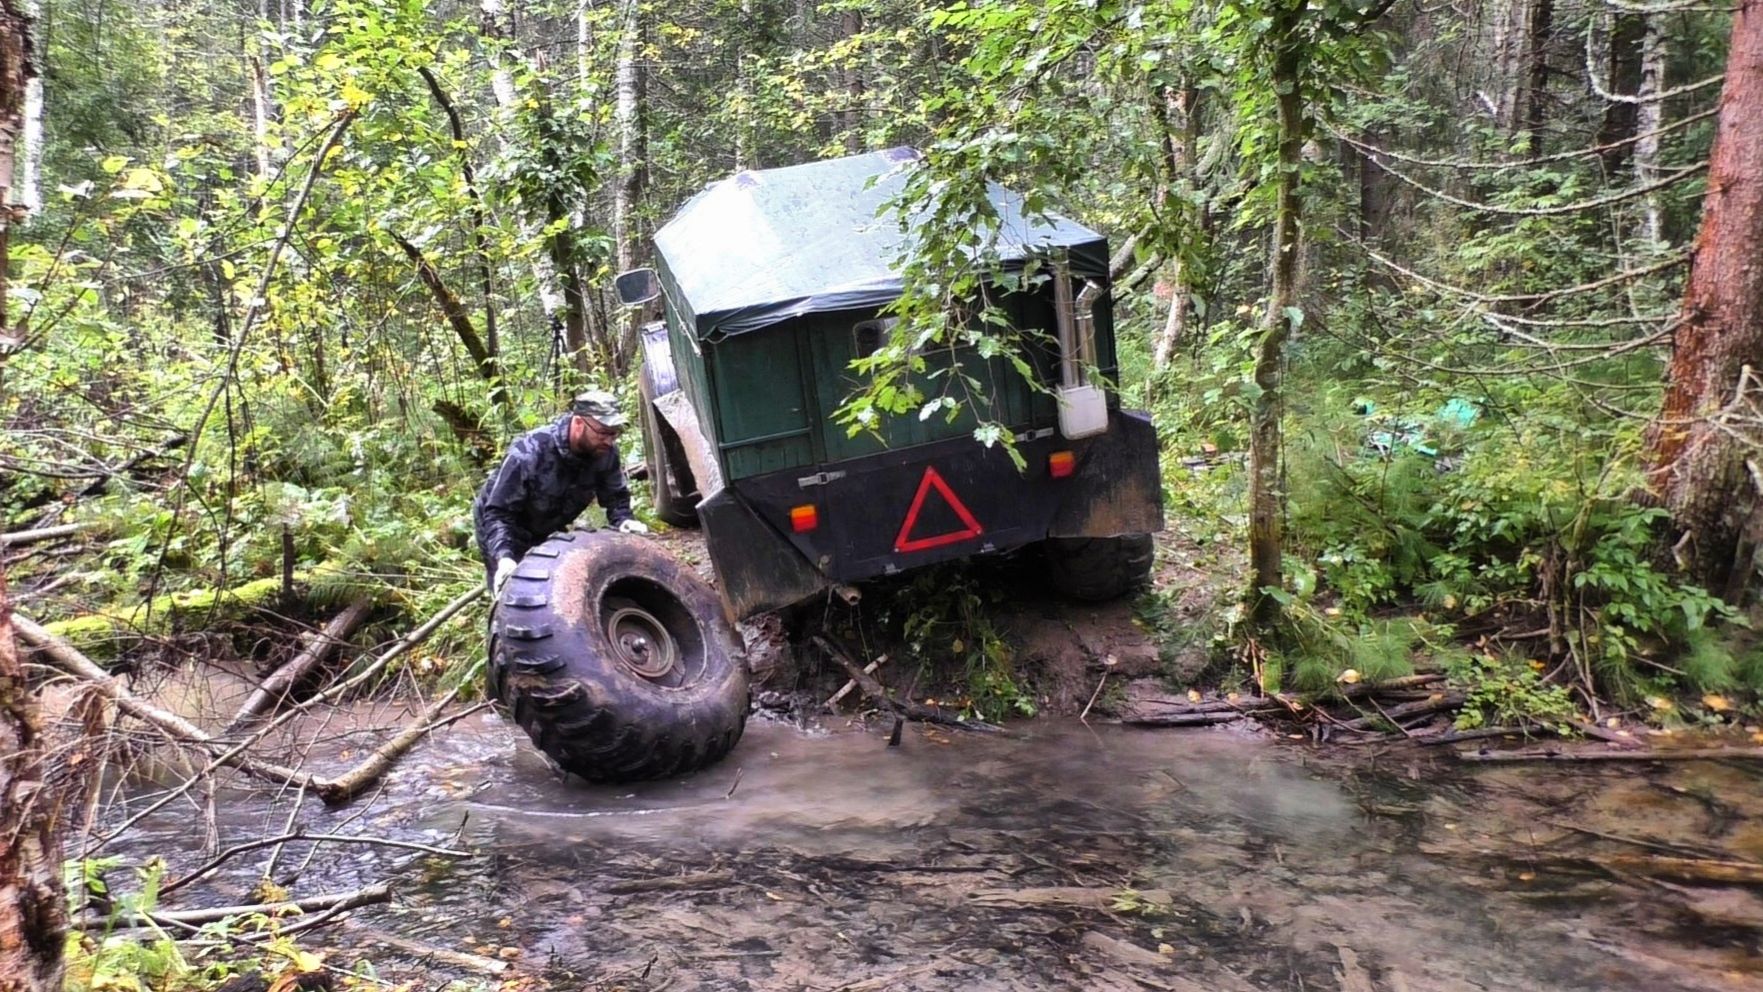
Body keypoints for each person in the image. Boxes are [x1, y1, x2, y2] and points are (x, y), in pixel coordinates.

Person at [473, 390, 650, 597]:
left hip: (549, 524)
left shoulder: (605, 452)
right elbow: (499, 514)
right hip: (503, 525)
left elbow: (616, 498)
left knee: (551, 583)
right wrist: (504, 557)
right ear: (579, 423)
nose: (609, 441)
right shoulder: (529, 453)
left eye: (614, 433)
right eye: (603, 432)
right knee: (514, 589)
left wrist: (624, 520)